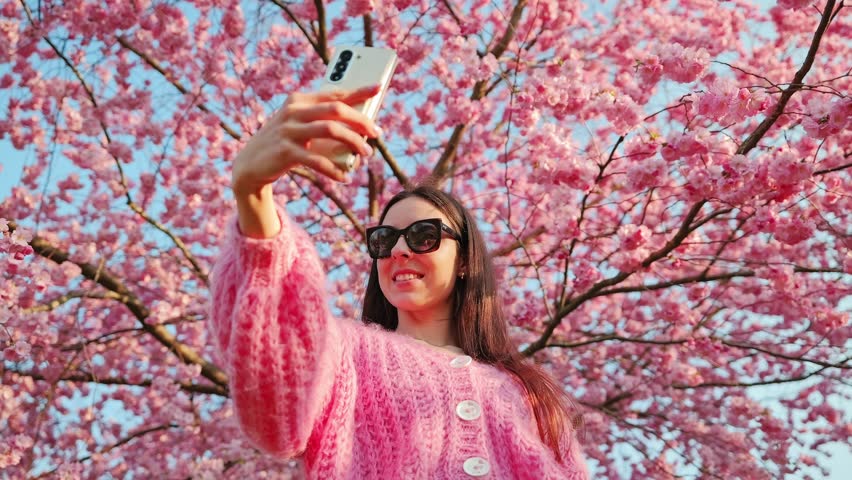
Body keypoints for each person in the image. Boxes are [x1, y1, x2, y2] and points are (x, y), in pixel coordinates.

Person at [209, 85, 589, 479]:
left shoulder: (530, 392)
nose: (399, 251)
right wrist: (253, 197)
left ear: (464, 261)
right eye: (384, 240)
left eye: (423, 235)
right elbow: (276, 414)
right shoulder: (344, 356)